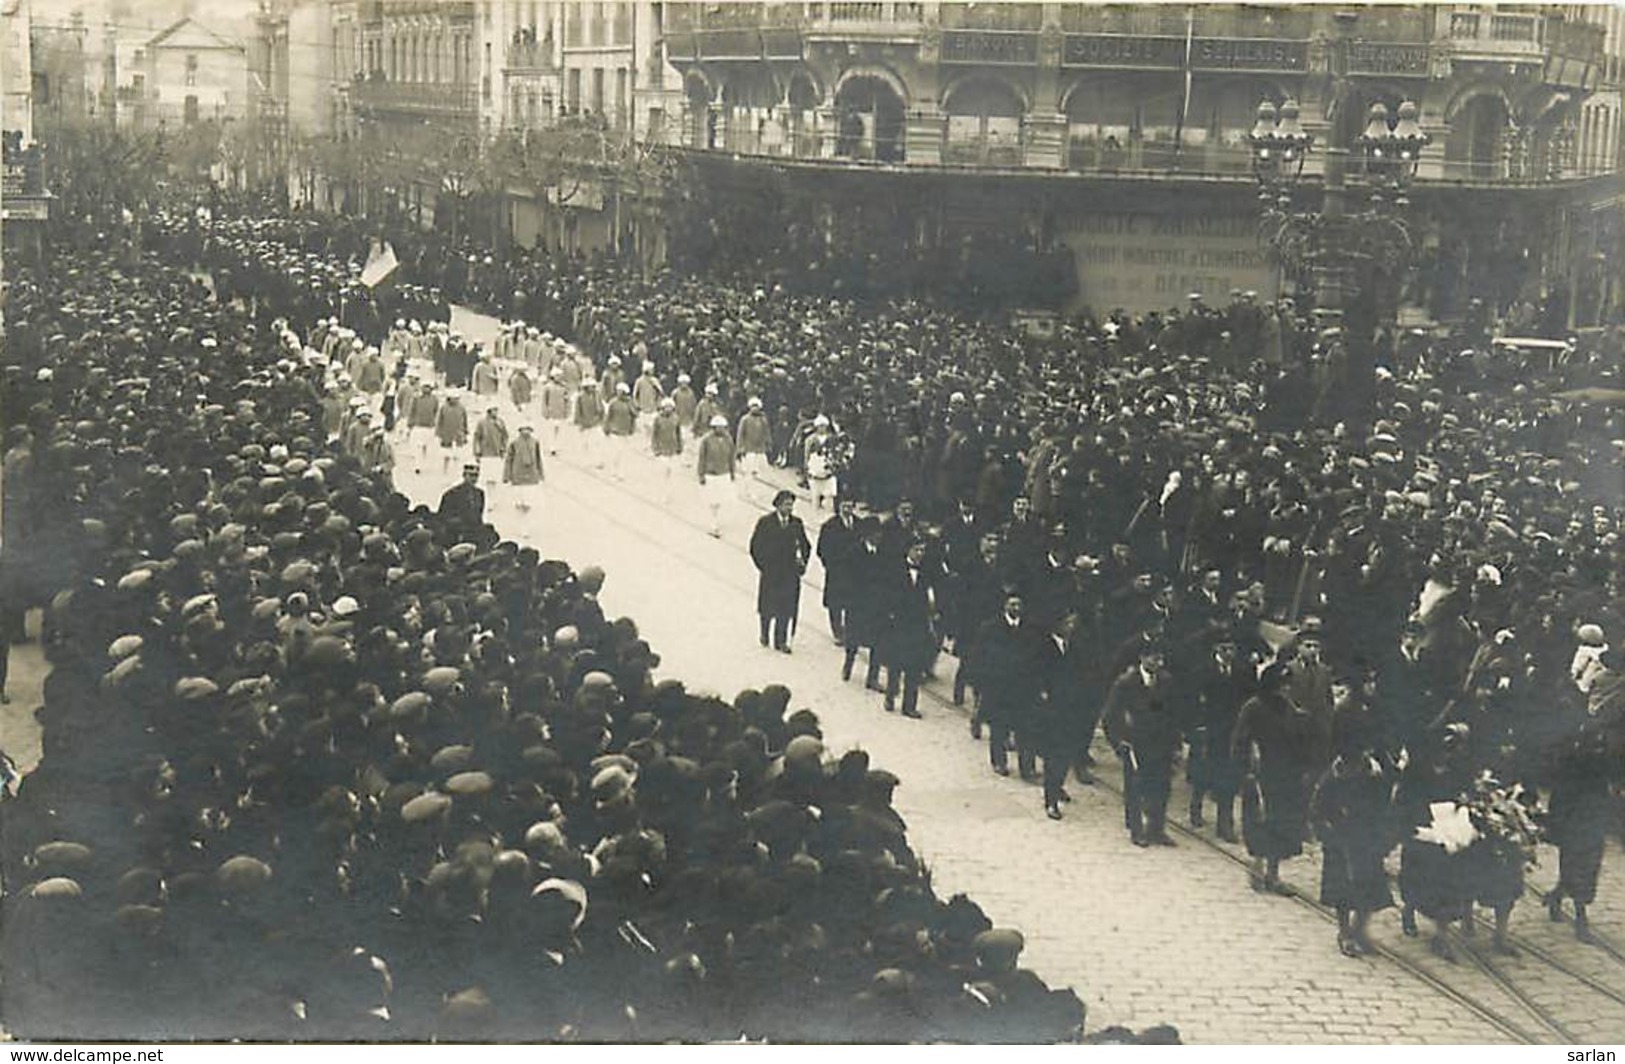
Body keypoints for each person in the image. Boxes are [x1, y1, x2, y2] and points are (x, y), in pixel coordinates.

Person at [1233, 663, 1319, 893]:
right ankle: (1257, 867)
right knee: (1259, 823)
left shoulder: (1291, 709)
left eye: (1288, 686)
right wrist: (1245, 772)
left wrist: (1304, 768)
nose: (1285, 691)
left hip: (1286, 777)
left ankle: (1273, 874)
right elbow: (1240, 742)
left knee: (1282, 826)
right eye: (1281, 686)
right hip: (1260, 777)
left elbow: (1301, 742)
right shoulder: (1254, 707)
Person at [1308, 749, 1395, 956]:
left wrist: (1384, 836)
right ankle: (1345, 932)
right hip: (1340, 838)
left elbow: (1385, 804)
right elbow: (1317, 809)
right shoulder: (1333, 776)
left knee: (1371, 887)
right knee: (1343, 890)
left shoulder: (1375, 773)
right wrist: (1327, 833)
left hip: (1367, 837)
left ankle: (1359, 930)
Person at [1103, 642, 1180, 846]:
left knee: (1162, 787)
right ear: (1143, 658)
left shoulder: (1166, 681)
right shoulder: (1126, 683)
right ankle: (1137, 830)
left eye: (1161, 659)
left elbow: (1173, 715)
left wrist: (1176, 745)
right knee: (1135, 787)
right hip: (1135, 744)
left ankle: (1156, 829)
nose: (1159, 663)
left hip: (1161, 744)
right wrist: (1118, 743)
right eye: (1155, 658)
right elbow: (1111, 716)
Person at [972, 589, 1046, 780]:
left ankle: (1027, 767)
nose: (1016, 608)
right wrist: (983, 684)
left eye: (1019, 605)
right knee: (999, 727)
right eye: (1012, 604)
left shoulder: (1032, 629)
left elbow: (1038, 658)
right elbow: (980, 657)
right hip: (999, 688)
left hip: (1024, 688)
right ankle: (999, 761)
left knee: (1025, 730)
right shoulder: (990, 628)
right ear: (1004, 606)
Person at [749, 490, 811, 653]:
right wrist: (763, 566)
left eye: (791, 505)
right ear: (777, 505)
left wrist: (802, 564)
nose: (789, 508)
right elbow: (755, 546)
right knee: (768, 607)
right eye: (786, 504)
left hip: (789, 573)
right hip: (771, 572)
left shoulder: (796, 523)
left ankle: (781, 641)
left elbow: (806, 545)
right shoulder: (765, 522)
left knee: (786, 607)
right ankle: (764, 633)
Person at [881, 539, 935, 719]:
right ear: (908, 550)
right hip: (898, 624)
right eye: (917, 549)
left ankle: (909, 705)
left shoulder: (926, 572)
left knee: (914, 666)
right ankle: (890, 695)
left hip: (918, 626)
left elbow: (929, 596)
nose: (920, 553)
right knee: (895, 664)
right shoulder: (895, 569)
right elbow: (887, 594)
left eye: (922, 550)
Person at [816, 496, 864, 644]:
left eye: (850, 506)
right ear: (839, 507)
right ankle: (837, 632)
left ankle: (850, 631)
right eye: (844, 506)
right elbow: (821, 549)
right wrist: (830, 565)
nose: (847, 509)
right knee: (835, 603)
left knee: (853, 603)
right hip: (837, 571)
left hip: (855, 571)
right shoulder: (830, 526)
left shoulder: (859, 524)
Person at [696, 414, 736, 538]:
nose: (721, 429)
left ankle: (716, 519)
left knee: (720, 500)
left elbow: (731, 457)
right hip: (711, 474)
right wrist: (701, 474)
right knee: (712, 500)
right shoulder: (706, 440)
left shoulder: (728, 439)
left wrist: (732, 472)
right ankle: (713, 524)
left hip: (723, 474)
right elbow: (702, 458)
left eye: (723, 427)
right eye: (718, 427)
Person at [503, 425, 545, 512]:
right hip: (518, 470)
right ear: (520, 430)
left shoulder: (535, 442)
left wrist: (541, 473)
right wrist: (507, 475)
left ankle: (527, 503)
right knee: (519, 489)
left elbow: (538, 458)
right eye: (524, 429)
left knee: (529, 489)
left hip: (531, 471)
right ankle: (519, 503)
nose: (526, 431)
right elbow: (509, 460)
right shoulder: (514, 443)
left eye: (528, 429)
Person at [438, 463, 486, 539]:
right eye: (471, 475)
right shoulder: (451, 494)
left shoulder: (479, 494)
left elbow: (479, 515)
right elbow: (443, 517)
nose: (474, 479)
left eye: (476, 476)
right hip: (456, 533)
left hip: (474, 533)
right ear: (464, 475)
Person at [473, 406, 510, 491]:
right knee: (486, 476)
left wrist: (503, 448)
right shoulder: (482, 423)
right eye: (494, 410)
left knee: (495, 476)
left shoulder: (500, 422)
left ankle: (494, 493)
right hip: (485, 453)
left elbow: (505, 436)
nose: (495, 412)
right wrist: (477, 451)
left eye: (496, 410)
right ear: (489, 411)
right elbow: (477, 437)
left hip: (496, 453)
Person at [435, 392, 469, 474]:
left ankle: (456, 470)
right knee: (446, 454)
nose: (456, 400)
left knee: (457, 454)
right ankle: (445, 470)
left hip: (458, 434)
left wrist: (465, 433)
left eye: (457, 398)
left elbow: (465, 421)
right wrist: (439, 434)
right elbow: (440, 421)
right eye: (454, 398)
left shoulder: (461, 408)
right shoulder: (444, 408)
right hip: (446, 434)